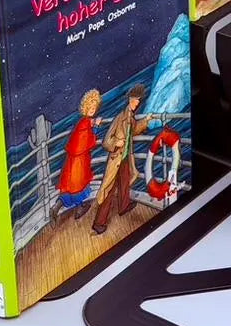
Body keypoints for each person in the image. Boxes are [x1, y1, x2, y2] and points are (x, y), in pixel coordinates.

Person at [92, 84, 158, 235]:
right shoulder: (119, 118)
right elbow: (106, 141)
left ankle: (123, 207)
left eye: (138, 102)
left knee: (124, 184)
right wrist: (116, 143)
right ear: (129, 100)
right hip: (116, 159)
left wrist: (146, 120)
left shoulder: (131, 118)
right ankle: (99, 223)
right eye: (135, 101)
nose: (137, 104)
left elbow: (134, 130)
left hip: (126, 158)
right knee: (109, 190)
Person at [51, 89, 102, 224]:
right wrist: (96, 127)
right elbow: (89, 142)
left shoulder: (82, 122)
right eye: (90, 107)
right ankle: (79, 209)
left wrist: (92, 124)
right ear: (85, 108)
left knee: (70, 185)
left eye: (94, 107)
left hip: (73, 159)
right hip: (79, 160)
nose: (92, 110)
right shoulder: (85, 124)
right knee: (78, 183)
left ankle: (56, 207)